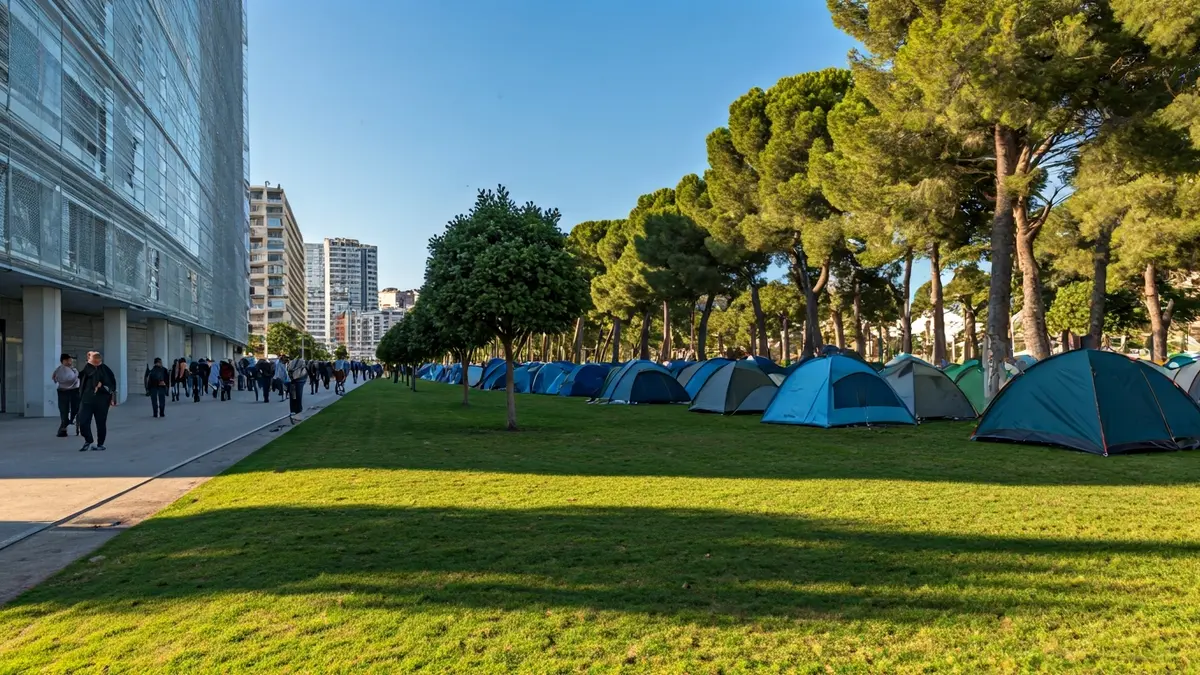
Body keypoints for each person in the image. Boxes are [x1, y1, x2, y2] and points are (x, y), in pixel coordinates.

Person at [77, 351, 117, 451]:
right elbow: (80, 381)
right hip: (87, 400)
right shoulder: (86, 368)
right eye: (93, 360)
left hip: (102, 401)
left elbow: (111, 385)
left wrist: (102, 386)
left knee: (101, 422)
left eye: (97, 360)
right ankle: (88, 439)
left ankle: (100, 443)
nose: (95, 362)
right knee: (83, 421)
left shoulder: (105, 370)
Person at [52, 353, 81, 437]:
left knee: (74, 409)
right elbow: (66, 380)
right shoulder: (61, 370)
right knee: (65, 410)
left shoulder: (71, 369)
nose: (70, 362)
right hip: (65, 391)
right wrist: (76, 376)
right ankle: (65, 427)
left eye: (71, 360)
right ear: (64, 361)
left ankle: (70, 426)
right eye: (68, 360)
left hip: (73, 391)